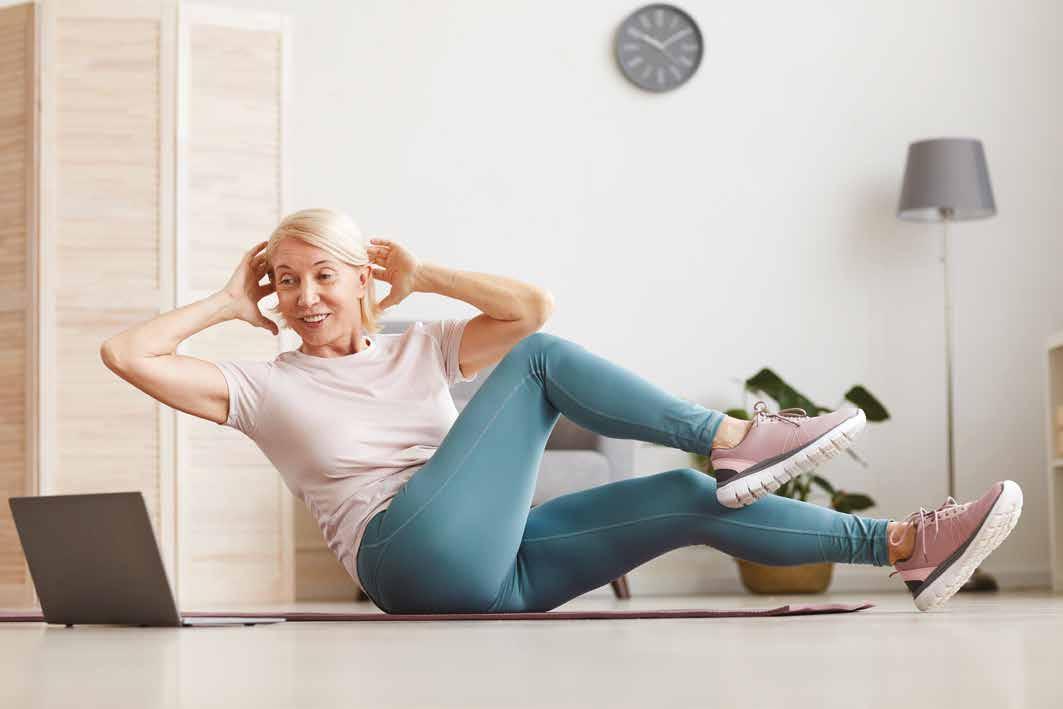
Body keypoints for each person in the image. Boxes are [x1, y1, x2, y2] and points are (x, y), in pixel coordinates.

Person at [100, 208, 1023, 615]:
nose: (304, 297)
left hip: (492, 572)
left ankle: (904, 548)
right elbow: (126, 354)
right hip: (402, 556)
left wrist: (424, 275)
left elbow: (530, 307)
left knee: (687, 496)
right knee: (541, 367)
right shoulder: (261, 386)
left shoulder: (420, 343)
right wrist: (227, 301)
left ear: (361, 280)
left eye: (322, 276)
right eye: (285, 281)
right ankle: (737, 439)